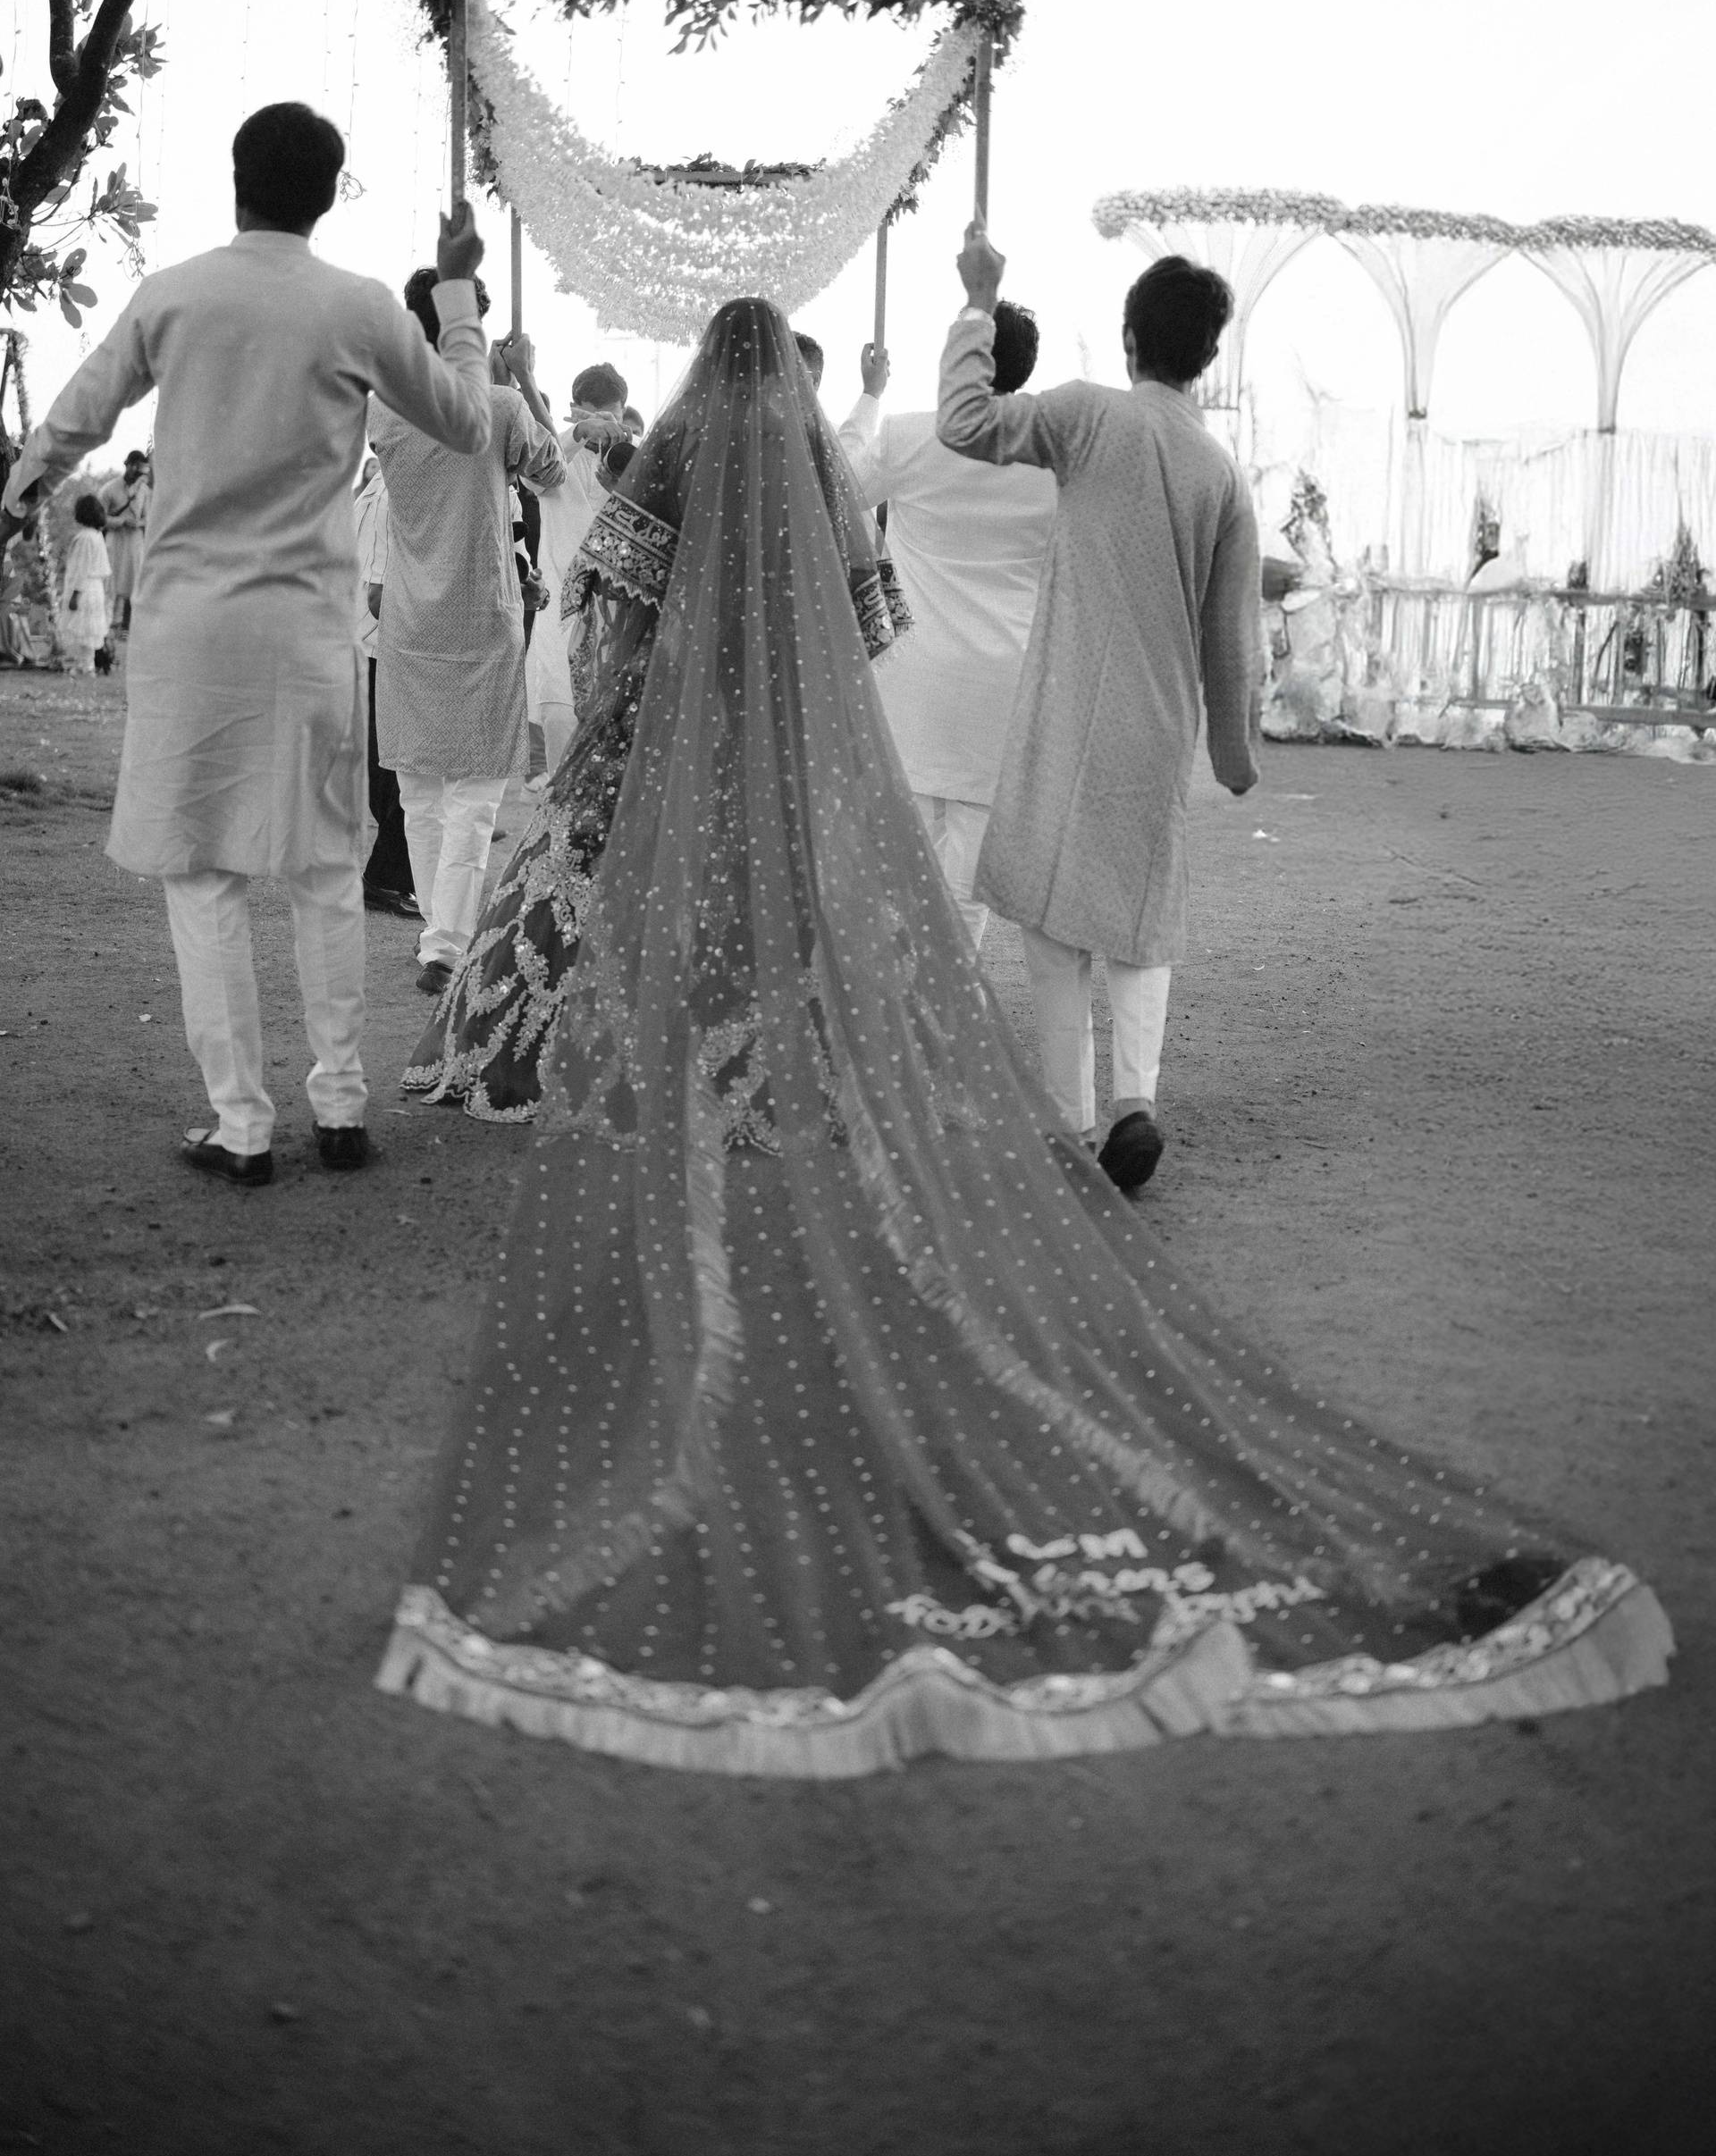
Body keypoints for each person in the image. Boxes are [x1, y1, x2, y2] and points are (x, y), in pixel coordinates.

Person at [376, 294, 1671, 1776]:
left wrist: (638, 714)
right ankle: (973, 1108)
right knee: (970, 927)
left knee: (782, 942)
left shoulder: (710, 453)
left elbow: (610, 608)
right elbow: (869, 616)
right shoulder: (867, 458)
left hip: (698, 752)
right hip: (873, 742)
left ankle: (765, 1118)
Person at [0, 101, 492, 1186]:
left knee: (203, 875)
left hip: (190, 633)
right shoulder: (360, 305)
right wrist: (457, 292)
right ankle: (342, 1108)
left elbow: (76, 416)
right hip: (308, 634)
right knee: (324, 868)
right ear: (327, 195)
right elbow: (467, 420)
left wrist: (18, 494)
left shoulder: (175, 293)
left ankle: (241, 1127)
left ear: (237, 179)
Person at [402, 303, 904, 1122]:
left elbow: (617, 575)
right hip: (780, 691)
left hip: (671, 681)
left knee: (595, 842)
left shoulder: (684, 434)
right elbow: (862, 606)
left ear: (712, 359)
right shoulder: (810, 445)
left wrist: (626, 667)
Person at [938, 234, 1262, 1195]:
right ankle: (1136, 1101)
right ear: (1207, 356)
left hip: (1066, 703)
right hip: (1157, 725)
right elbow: (1233, 637)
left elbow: (965, 421)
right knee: (1139, 915)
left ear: (1129, 338)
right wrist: (1235, 752)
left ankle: (1072, 1122)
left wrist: (979, 303)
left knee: (1050, 918)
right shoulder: (1221, 473)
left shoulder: (1084, 415)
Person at [839, 301, 1056, 952]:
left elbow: (836, 487)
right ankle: (951, 990)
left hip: (912, 673)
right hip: (1008, 676)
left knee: (900, 855)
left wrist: (870, 397)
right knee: (967, 877)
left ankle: (905, 988)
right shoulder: (1053, 457)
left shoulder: (910, 436)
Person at [370, 276, 566, 997]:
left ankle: (438, 936)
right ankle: (447, 943)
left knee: (422, 796)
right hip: (481, 616)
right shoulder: (500, 405)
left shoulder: (385, 407)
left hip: (409, 620)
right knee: (472, 800)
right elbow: (552, 470)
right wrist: (523, 377)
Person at [526, 360, 627, 774]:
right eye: (594, 417)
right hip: (559, 624)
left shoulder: (636, 459)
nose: (605, 428)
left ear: (624, 412)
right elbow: (532, 477)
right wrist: (579, 433)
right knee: (561, 741)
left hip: (619, 623)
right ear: (574, 410)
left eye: (612, 419)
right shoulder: (556, 456)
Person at [354, 453, 416, 919]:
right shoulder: (390, 492)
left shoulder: (390, 486)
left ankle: (390, 875)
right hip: (386, 644)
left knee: (390, 766)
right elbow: (378, 595)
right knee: (397, 769)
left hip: (382, 644)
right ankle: (385, 879)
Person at [97, 449, 149, 631]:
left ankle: (127, 625)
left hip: (134, 541)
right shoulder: (109, 489)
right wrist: (120, 521)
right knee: (111, 582)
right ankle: (108, 623)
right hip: (115, 540)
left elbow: (148, 517)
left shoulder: (144, 491)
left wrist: (138, 523)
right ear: (127, 466)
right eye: (133, 468)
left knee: (134, 583)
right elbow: (99, 518)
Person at [60, 492, 111, 673]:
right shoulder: (97, 535)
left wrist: (75, 595)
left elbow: (81, 568)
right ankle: (86, 663)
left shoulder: (85, 538)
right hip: (95, 587)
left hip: (85, 588)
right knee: (89, 628)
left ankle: (84, 665)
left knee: (82, 627)